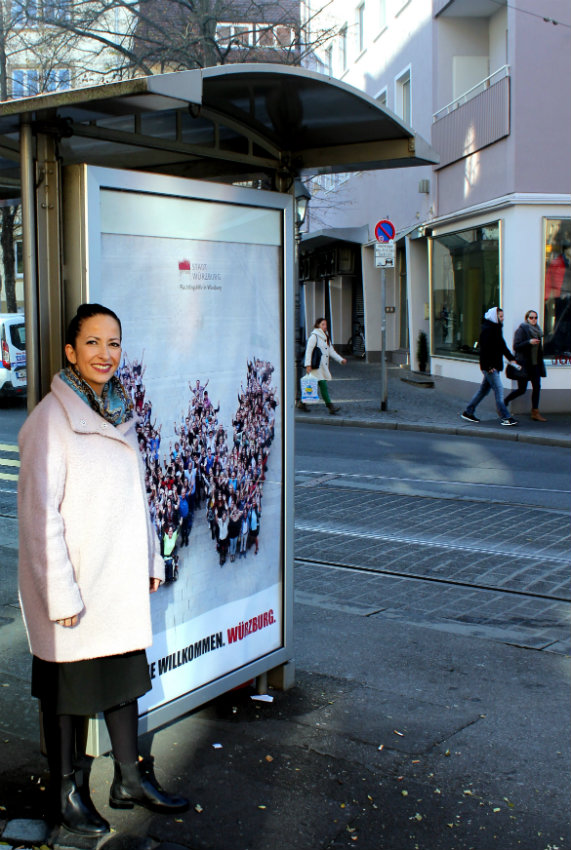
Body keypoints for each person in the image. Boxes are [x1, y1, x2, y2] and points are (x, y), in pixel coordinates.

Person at [17, 304, 189, 838]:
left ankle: (128, 780)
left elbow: (134, 498)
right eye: (92, 343)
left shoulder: (117, 411)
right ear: (70, 352)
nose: (105, 354)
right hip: (74, 587)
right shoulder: (50, 420)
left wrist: (149, 559)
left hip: (112, 580)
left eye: (113, 343)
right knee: (67, 695)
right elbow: (38, 517)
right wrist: (60, 596)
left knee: (122, 681)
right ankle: (65, 792)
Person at [461, 307, 519, 426]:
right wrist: (488, 366)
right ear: (495, 317)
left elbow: (503, 347)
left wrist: (512, 360)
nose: (503, 318)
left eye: (503, 316)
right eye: (501, 316)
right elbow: (484, 351)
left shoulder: (496, 329)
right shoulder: (488, 330)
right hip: (490, 367)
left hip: (493, 366)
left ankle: (468, 412)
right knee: (499, 390)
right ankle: (506, 417)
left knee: (483, 390)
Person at [504, 309, 548, 421]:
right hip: (525, 365)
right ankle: (505, 401)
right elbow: (516, 346)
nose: (534, 320)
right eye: (531, 317)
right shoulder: (522, 330)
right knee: (522, 389)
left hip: (535, 365)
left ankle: (535, 412)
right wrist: (529, 342)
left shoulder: (538, 331)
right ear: (527, 319)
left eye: (535, 317)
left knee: (537, 387)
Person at [304, 317, 347, 414]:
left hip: (322, 367)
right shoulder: (314, 336)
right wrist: (308, 365)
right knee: (322, 386)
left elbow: (331, 351)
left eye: (326, 325)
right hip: (315, 367)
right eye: (323, 324)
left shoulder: (326, 336)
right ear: (318, 325)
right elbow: (308, 351)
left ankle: (302, 403)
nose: (325, 326)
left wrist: (341, 360)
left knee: (311, 386)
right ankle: (330, 407)